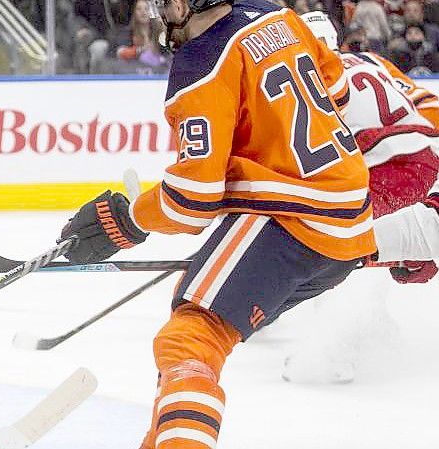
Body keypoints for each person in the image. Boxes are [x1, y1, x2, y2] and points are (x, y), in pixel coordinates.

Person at [58, 0, 375, 447]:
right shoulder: (275, 13)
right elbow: (338, 90)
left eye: (162, 3)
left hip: (291, 220)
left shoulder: (203, 60)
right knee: (193, 317)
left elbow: (193, 199)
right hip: (348, 223)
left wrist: (128, 221)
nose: (157, 13)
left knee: (189, 341)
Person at [282, 11, 439, 384]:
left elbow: (308, 166)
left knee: (337, 248)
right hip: (428, 163)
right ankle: (375, 330)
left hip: (386, 173)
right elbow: (427, 100)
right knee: (369, 251)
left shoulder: (306, 82)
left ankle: (335, 350)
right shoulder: (372, 60)